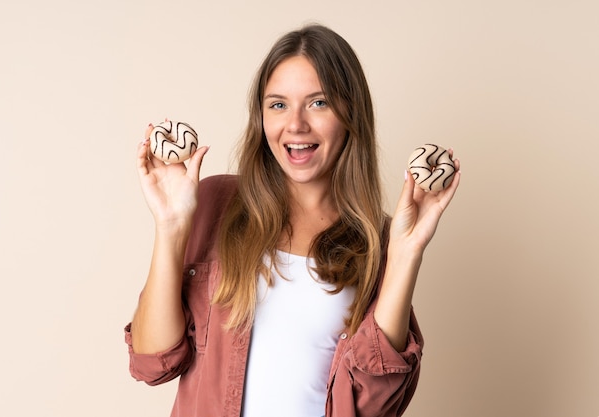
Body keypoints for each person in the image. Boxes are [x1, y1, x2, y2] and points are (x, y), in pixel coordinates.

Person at [124, 23, 460, 417]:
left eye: (319, 103)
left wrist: (406, 253)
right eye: (278, 104)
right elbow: (152, 361)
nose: (296, 125)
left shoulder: (379, 241)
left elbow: (374, 407)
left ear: (351, 112)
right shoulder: (215, 202)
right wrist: (171, 226)